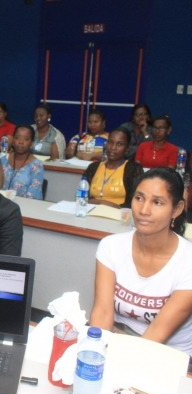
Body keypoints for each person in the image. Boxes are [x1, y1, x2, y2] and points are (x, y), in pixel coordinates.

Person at [90, 168, 192, 356]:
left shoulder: (188, 262)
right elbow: (103, 314)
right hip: (117, 339)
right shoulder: (111, 246)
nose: (144, 210)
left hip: (169, 353)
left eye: (157, 202)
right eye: (139, 198)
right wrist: (94, 354)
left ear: (177, 209)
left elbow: (157, 333)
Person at [82, 127, 144, 209]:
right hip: (91, 213)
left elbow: (137, 201)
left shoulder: (133, 169)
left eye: (119, 144)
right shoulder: (93, 167)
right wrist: (100, 203)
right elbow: (81, 197)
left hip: (120, 216)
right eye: (110, 142)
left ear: (127, 149)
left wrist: (103, 203)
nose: (113, 148)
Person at [1, 125, 44, 200]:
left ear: (31, 143)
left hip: (24, 207)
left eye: (26, 139)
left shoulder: (36, 166)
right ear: (13, 140)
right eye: (17, 138)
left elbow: (34, 196)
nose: (21, 142)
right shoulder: (3, 160)